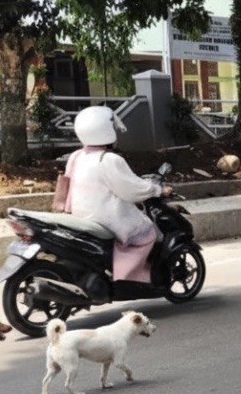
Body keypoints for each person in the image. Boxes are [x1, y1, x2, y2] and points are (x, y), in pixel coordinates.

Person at [60, 106, 173, 284]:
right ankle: (129, 277)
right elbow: (131, 189)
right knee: (147, 231)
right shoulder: (109, 160)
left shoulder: (76, 157)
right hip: (105, 218)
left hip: (80, 215)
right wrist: (157, 189)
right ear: (105, 131)